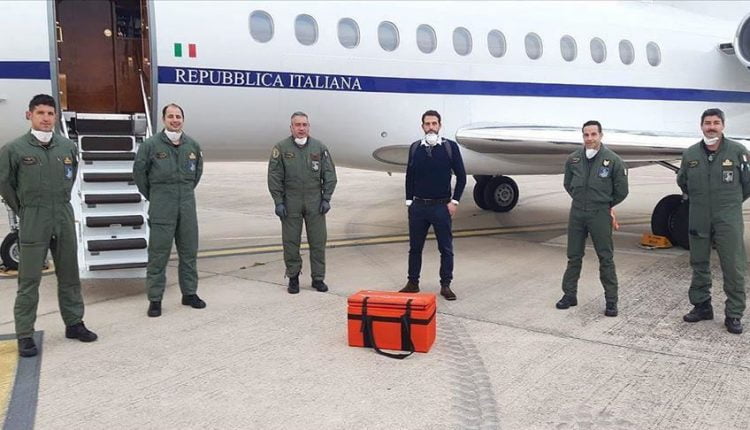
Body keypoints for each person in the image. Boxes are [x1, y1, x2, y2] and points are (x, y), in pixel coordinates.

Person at [0, 94, 98, 357]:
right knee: (29, 279)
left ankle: (74, 323)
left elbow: (71, 176)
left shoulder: (67, 147)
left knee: (69, 274)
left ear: (56, 117)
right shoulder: (14, 149)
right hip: (34, 216)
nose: (46, 118)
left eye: (50, 113)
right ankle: (25, 334)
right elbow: (5, 184)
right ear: (29, 115)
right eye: (40, 113)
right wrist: (24, 209)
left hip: (62, 214)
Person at [677, 108, 750, 334]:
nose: (711, 127)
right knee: (699, 262)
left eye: (716, 123)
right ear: (701, 126)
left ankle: (734, 314)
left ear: (723, 125)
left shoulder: (738, 151)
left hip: (728, 216)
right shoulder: (690, 154)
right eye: (707, 123)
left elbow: (747, 184)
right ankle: (702, 306)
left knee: (733, 265)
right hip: (699, 214)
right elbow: (683, 182)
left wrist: (729, 202)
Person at [134, 103, 205, 317]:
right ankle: (155, 299)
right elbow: (140, 175)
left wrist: (182, 193)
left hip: (186, 206)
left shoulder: (192, 145)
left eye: (178, 116)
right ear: (163, 119)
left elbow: (196, 174)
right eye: (171, 116)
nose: (175, 120)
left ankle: (189, 293)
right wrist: (157, 196)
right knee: (158, 255)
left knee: (189, 252)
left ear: (183, 119)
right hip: (162, 207)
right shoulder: (151, 145)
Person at [556, 120, 629, 316]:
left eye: (593, 134)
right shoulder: (573, 159)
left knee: (605, 258)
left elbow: (622, 191)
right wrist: (582, 200)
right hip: (577, 213)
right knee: (573, 256)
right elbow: (568, 184)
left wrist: (605, 205)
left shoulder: (613, 161)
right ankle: (569, 295)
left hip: (599, 214)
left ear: (601, 136)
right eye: (586, 135)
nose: (589, 139)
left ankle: (611, 301)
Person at [399, 110, 466, 300]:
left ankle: (446, 285)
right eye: (427, 124)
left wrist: (454, 202)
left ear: (440, 126)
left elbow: (461, 176)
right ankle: (413, 283)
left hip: (441, 207)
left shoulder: (450, 147)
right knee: (415, 248)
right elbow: (410, 176)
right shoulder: (415, 148)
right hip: (419, 207)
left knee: (445, 249)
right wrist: (409, 202)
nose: (431, 127)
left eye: (434, 123)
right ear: (422, 127)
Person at [267, 112, 337, 294]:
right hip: (291, 201)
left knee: (318, 241)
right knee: (291, 242)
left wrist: (326, 198)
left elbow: (329, 174)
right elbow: (274, 176)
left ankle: (318, 278)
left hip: (315, 201)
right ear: (291, 127)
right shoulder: (281, 148)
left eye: (304, 125)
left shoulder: (319, 147)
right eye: (297, 125)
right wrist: (278, 201)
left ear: (308, 127)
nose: (301, 128)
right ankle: (293, 277)